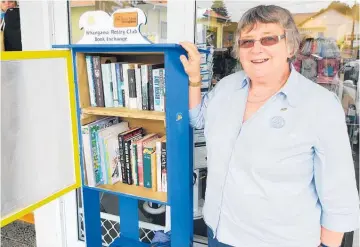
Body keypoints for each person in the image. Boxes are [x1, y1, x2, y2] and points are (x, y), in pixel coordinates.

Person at [180, 5, 360, 247]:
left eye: (269, 39)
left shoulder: (320, 105)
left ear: (290, 46)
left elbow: (338, 195)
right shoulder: (226, 87)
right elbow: (199, 119)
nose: (257, 49)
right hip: (220, 232)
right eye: (247, 41)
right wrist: (194, 80)